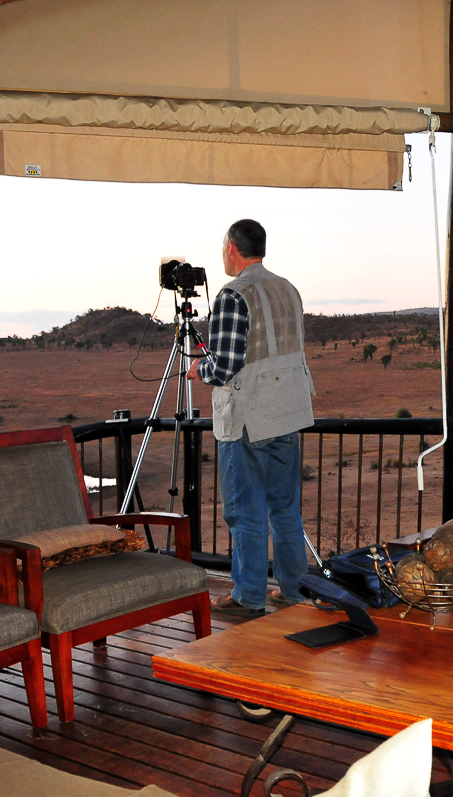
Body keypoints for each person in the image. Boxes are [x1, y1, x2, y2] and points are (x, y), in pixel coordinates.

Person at [187, 219, 315, 617]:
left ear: (231, 248)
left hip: (249, 418)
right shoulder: (288, 289)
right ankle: (294, 590)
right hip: (288, 414)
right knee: (285, 509)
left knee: (246, 511)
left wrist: (198, 371)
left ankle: (248, 596)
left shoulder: (233, 293)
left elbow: (224, 367)